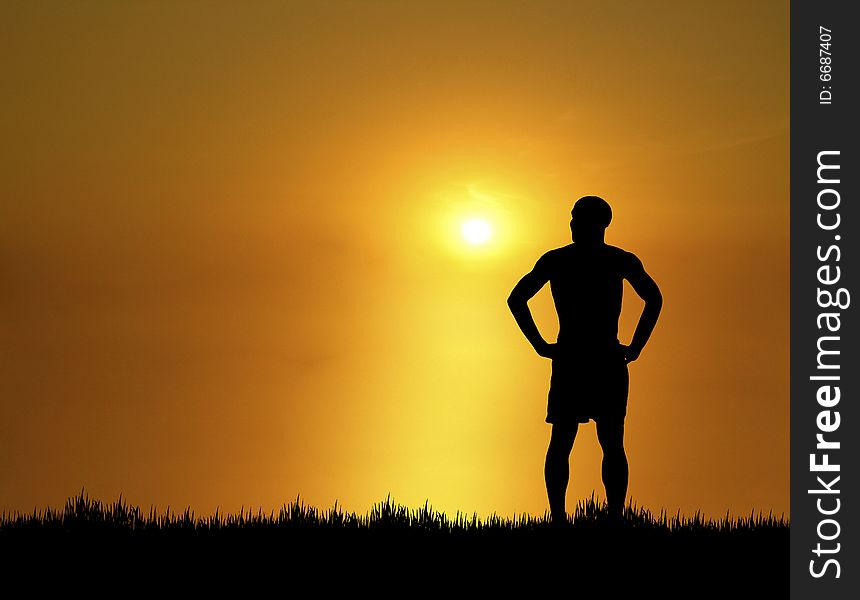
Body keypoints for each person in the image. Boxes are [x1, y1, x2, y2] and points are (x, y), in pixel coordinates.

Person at [506, 195, 662, 524]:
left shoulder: (610, 260)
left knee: (608, 441)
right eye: (573, 218)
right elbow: (516, 298)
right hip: (579, 358)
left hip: (594, 358)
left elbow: (654, 298)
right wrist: (539, 344)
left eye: (579, 218)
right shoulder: (564, 260)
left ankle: (612, 517)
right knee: (566, 439)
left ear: (600, 224)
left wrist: (635, 347)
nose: (574, 224)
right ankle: (560, 518)